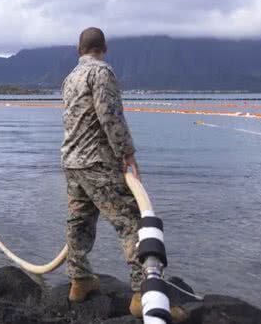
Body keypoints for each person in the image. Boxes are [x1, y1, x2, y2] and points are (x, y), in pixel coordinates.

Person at [61, 27, 183, 320]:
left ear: (79, 50)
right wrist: (127, 153)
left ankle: (79, 281)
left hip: (72, 162)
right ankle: (143, 294)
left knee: (79, 222)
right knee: (131, 222)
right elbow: (109, 115)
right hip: (99, 163)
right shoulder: (101, 73)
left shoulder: (70, 78)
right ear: (104, 48)